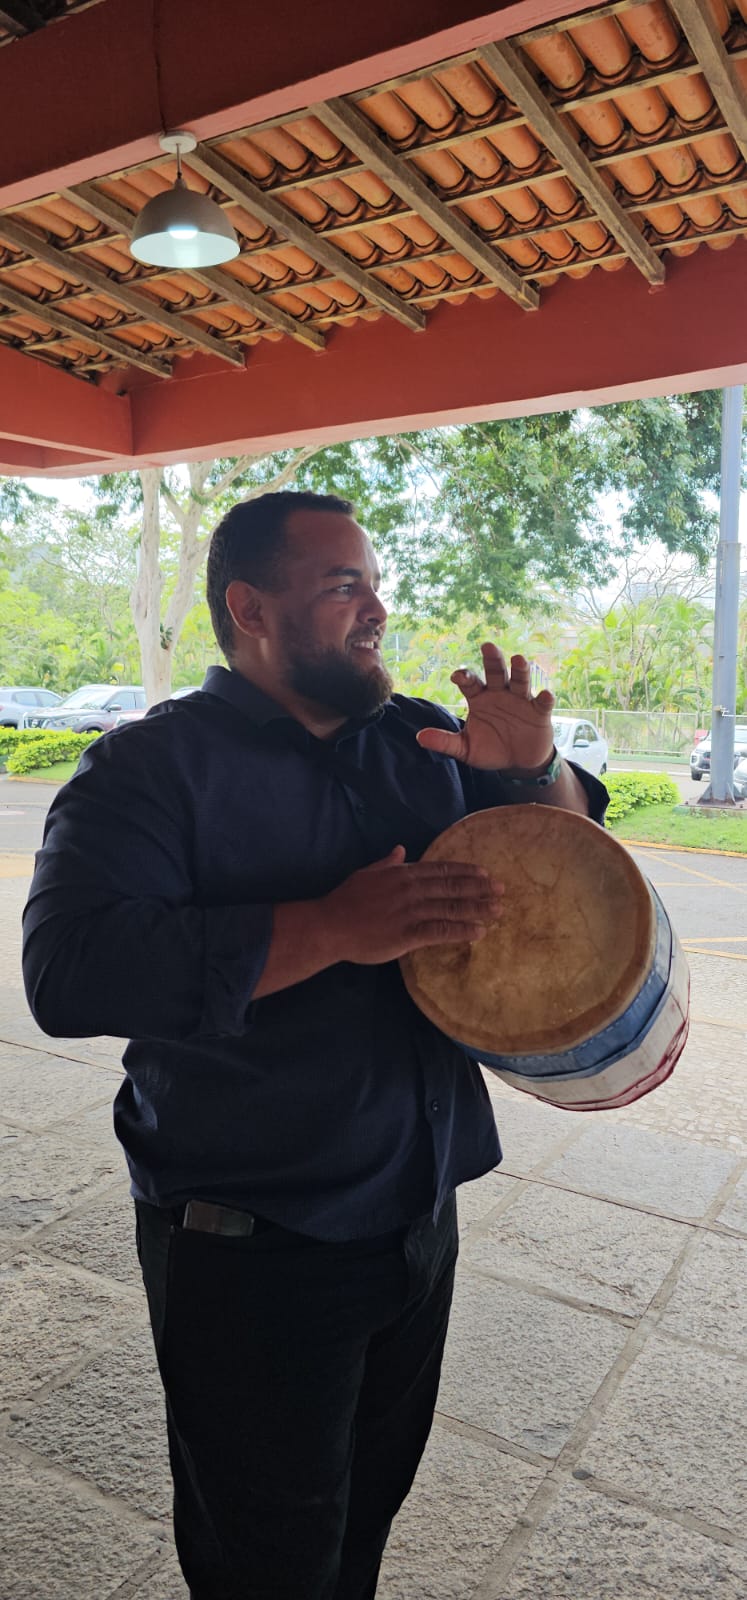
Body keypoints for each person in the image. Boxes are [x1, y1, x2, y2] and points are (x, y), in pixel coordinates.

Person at [22, 490, 607, 1600]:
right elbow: (68, 974)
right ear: (250, 609)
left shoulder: (424, 742)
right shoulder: (147, 769)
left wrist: (532, 771)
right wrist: (330, 927)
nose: (376, 608)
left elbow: (567, 865)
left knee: (360, 1527)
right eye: (343, 586)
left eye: (374, 584)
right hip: (252, 1245)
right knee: (266, 1563)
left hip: (416, 1214)